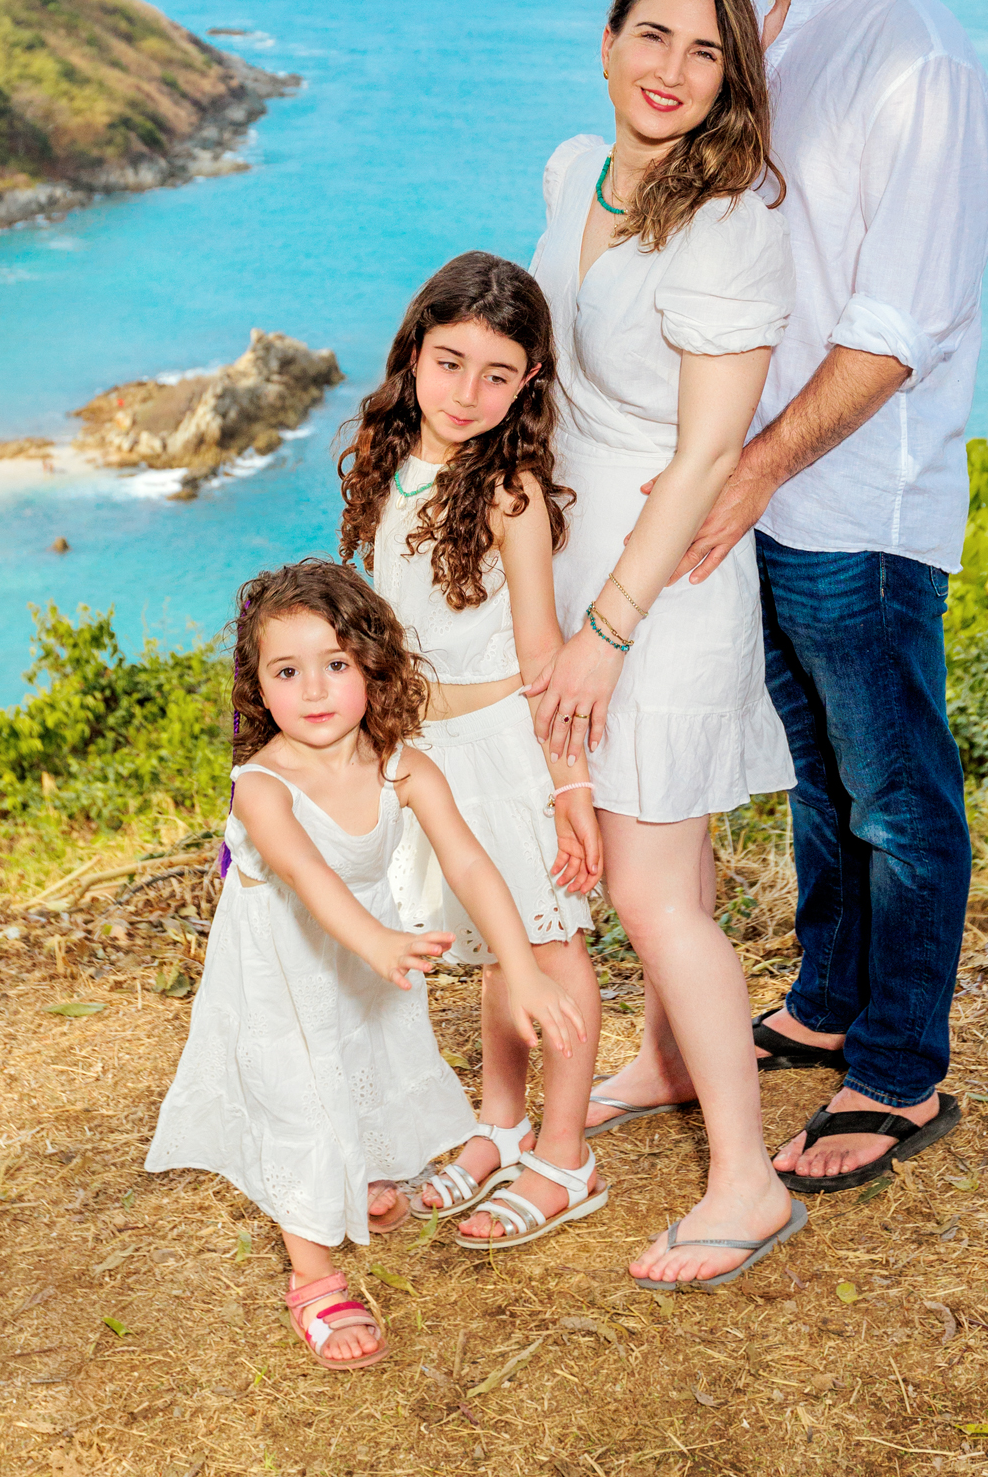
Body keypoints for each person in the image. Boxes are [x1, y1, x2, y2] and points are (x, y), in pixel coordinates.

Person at [672, 0, 988, 1193]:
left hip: (861, 502)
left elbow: (893, 327)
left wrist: (746, 468)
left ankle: (899, 1070)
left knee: (895, 793)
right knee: (818, 779)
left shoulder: (912, 52)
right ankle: (829, 999)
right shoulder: (769, 29)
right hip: (776, 495)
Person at [526, 0, 805, 1290]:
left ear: (731, 78)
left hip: (666, 585)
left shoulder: (730, 221)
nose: (670, 71)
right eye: (652, 36)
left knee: (645, 884)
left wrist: (610, 624)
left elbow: (705, 457)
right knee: (671, 868)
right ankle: (669, 1064)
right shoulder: (573, 166)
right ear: (607, 38)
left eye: (704, 52)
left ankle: (748, 1185)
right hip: (579, 560)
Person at [144, 559, 584, 1370]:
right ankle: (313, 1276)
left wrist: (521, 967)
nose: (313, 690)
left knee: (369, 1065)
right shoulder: (262, 787)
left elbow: (472, 865)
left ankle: (362, 1172)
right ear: (259, 688)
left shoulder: (403, 766)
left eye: (336, 665)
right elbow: (311, 880)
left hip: (364, 962)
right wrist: (380, 943)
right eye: (287, 671)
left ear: (373, 666)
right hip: (282, 971)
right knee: (299, 1102)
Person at [338, 252, 606, 1250]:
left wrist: (569, 786)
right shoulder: (389, 461)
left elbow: (542, 649)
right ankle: (501, 1124)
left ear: (528, 383)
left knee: (545, 946)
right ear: (413, 352)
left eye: (497, 375)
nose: (467, 394)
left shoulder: (511, 494)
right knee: (498, 947)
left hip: (504, 748)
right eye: (449, 362)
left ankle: (567, 1157)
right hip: (425, 750)